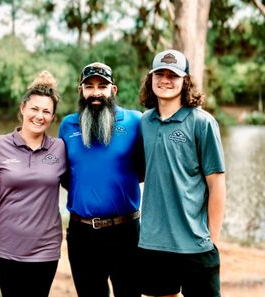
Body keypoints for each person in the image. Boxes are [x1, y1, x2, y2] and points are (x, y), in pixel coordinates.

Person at [138, 49, 226, 297]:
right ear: (151, 78)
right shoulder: (145, 122)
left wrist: (213, 240)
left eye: (173, 75)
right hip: (153, 243)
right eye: (159, 74)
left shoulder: (202, 122)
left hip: (196, 244)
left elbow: (217, 185)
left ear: (185, 80)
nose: (165, 80)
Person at [58, 62, 144, 297]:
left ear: (113, 90)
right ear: (80, 90)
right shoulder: (68, 125)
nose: (96, 92)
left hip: (126, 231)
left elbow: (145, 170)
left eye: (102, 86)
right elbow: (65, 174)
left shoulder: (135, 121)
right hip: (82, 233)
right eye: (89, 86)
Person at [0, 71, 67, 297]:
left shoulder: (60, 148)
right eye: (34, 109)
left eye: (46, 111)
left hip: (46, 247)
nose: (39, 116)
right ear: (23, 108)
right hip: (5, 244)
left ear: (52, 117)